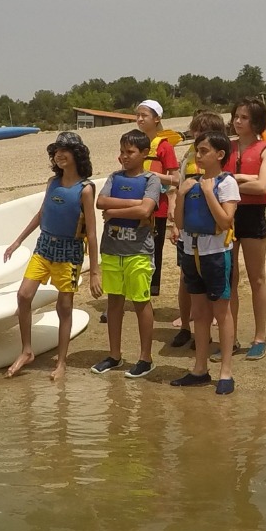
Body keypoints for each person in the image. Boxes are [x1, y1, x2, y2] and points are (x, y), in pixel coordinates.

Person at [2, 131, 100, 382]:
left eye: (64, 150)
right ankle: (27, 350)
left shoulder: (85, 189)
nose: (59, 155)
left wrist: (94, 271)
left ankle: (62, 362)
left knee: (64, 307)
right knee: (23, 296)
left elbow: (91, 232)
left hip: (70, 252)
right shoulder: (52, 183)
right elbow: (41, 214)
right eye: (56, 151)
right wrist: (17, 241)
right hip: (44, 246)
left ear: (76, 154)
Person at [169, 132, 241, 394]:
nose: (198, 156)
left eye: (203, 151)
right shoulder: (190, 183)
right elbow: (179, 222)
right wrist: (180, 194)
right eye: (197, 151)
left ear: (219, 155)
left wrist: (209, 193)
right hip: (191, 252)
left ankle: (226, 371)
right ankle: (199, 368)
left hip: (216, 254)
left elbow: (225, 221)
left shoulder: (227, 183)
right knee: (199, 313)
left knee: (222, 312)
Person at [90, 130, 163, 378]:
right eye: (122, 152)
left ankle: (145, 358)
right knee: (114, 302)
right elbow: (101, 202)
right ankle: (114, 355)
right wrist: (134, 204)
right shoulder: (114, 177)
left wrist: (115, 211)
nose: (124, 156)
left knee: (141, 302)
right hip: (112, 250)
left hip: (138, 252)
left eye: (130, 152)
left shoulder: (152, 180)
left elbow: (146, 211)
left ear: (144, 153)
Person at [168, 110, 232, 348]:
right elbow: (179, 187)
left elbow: (225, 207)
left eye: (200, 131)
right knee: (185, 279)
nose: (195, 135)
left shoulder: (219, 165)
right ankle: (186, 326)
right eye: (195, 131)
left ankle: (208, 329)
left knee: (214, 286)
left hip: (212, 238)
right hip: (188, 232)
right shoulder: (189, 156)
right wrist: (175, 221)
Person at [229, 98, 266, 361]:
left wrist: (232, 181)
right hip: (227, 215)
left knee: (256, 277)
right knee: (229, 278)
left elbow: (262, 186)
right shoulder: (227, 147)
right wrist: (244, 180)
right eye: (236, 116)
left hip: (252, 215)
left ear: (256, 121)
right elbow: (213, 180)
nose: (238, 121)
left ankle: (260, 337)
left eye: (244, 117)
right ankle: (230, 336)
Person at [134, 100, 180, 301]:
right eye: (138, 115)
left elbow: (175, 179)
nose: (140, 119)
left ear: (157, 118)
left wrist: (150, 176)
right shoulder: (133, 143)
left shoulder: (164, 147)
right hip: (134, 205)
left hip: (157, 207)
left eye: (144, 115)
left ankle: (149, 293)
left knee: (153, 251)